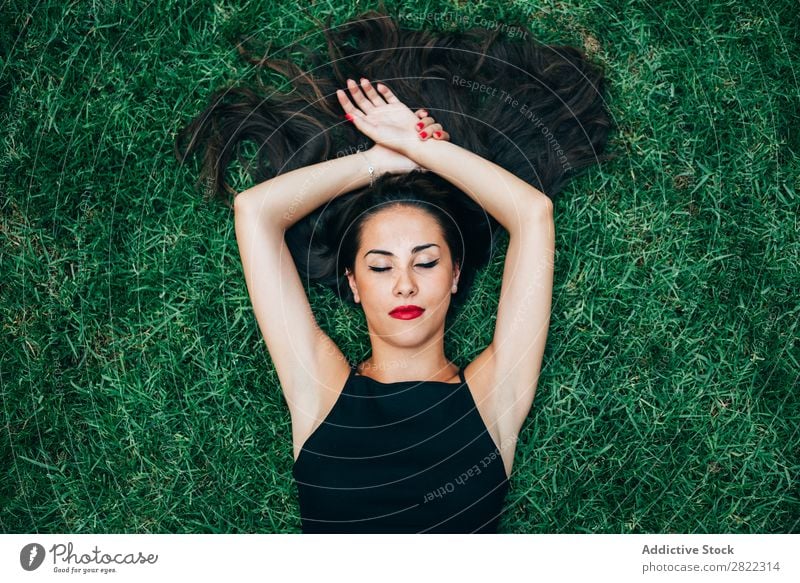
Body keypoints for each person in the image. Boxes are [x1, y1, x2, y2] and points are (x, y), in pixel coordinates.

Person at [175, 10, 612, 533]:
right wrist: (384, 159)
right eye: (381, 267)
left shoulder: (495, 397)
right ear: (355, 285)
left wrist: (424, 147)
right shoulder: (316, 387)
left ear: (454, 276)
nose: (405, 282)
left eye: (426, 261)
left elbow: (532, 215)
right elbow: (256, 212)